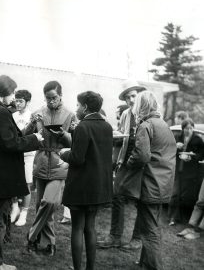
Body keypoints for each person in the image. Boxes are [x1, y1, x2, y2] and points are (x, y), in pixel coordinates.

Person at [0, 75, 43, 270]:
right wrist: (35, 139)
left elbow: (7, 139)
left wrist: (28, 134)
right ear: (5, 91)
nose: (13, 97)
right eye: (12, 92)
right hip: (2, 175)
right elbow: (10, 143)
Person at [60, 91, 113, 270]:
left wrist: (63, 153)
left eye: (77, 105)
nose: (76, 108)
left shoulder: (83, 126)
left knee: (77, 227)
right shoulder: (107, 127)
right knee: (90, 227)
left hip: (80, 186)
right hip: (98, 186)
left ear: (85, 107)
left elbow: (77, 158)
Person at [126, 91, 176, 269]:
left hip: (150, 184)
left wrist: (128, 162)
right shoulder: (164, 124)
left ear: (142, 106)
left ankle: (154, 266)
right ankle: (145, 263)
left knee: (149, 231)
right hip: (163, 185)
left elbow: (141, 156)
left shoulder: (146, 125)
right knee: (150, 227)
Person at [25, 81, 75, 256]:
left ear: (60, 95)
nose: (50, 101)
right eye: (47, 98)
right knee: (41, 205)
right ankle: (49, 243)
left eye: (53, 97)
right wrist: (32, 124)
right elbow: (25, 136)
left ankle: (32, 236)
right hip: (41, 161)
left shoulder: (70, 115)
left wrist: (63, 134)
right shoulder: (38, 113)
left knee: (50, 203)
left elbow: (75, 142)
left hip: (59, 162)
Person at [97, 80, 145, 250]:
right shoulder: (126, 115)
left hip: (143, 163)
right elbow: (123, 135)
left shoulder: (149, 113)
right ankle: (114, 236)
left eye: (133, 96)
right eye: (127, 97)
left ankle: (137, 238)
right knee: (117, 195)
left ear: (139, 95)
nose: (131, 100)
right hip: (125, 161)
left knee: (142, 201)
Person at [168, 118, 204, 225]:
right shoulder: (177, 137)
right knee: (174, 194)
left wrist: (192, 157)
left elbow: (201, 155)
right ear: (182, 129)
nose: (188, 130)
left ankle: (181, 218)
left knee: (185, 196)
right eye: (186, 128)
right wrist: (176, 146)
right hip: (177, 170)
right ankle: (172, 218)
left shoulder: (197, 140)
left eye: (190, 128)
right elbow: (169, 150)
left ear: (193, 128)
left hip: (189, 173)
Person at [11, 90, 35, 226]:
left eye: (20, 101)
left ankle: (24, 213)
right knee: (13, 182)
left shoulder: (32, 116)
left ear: (28, 102)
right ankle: (15, 208)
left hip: (28, 155)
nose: (17, 103)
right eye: (16, 100)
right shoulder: (12, 115)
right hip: (15, 153)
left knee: (26, 185)